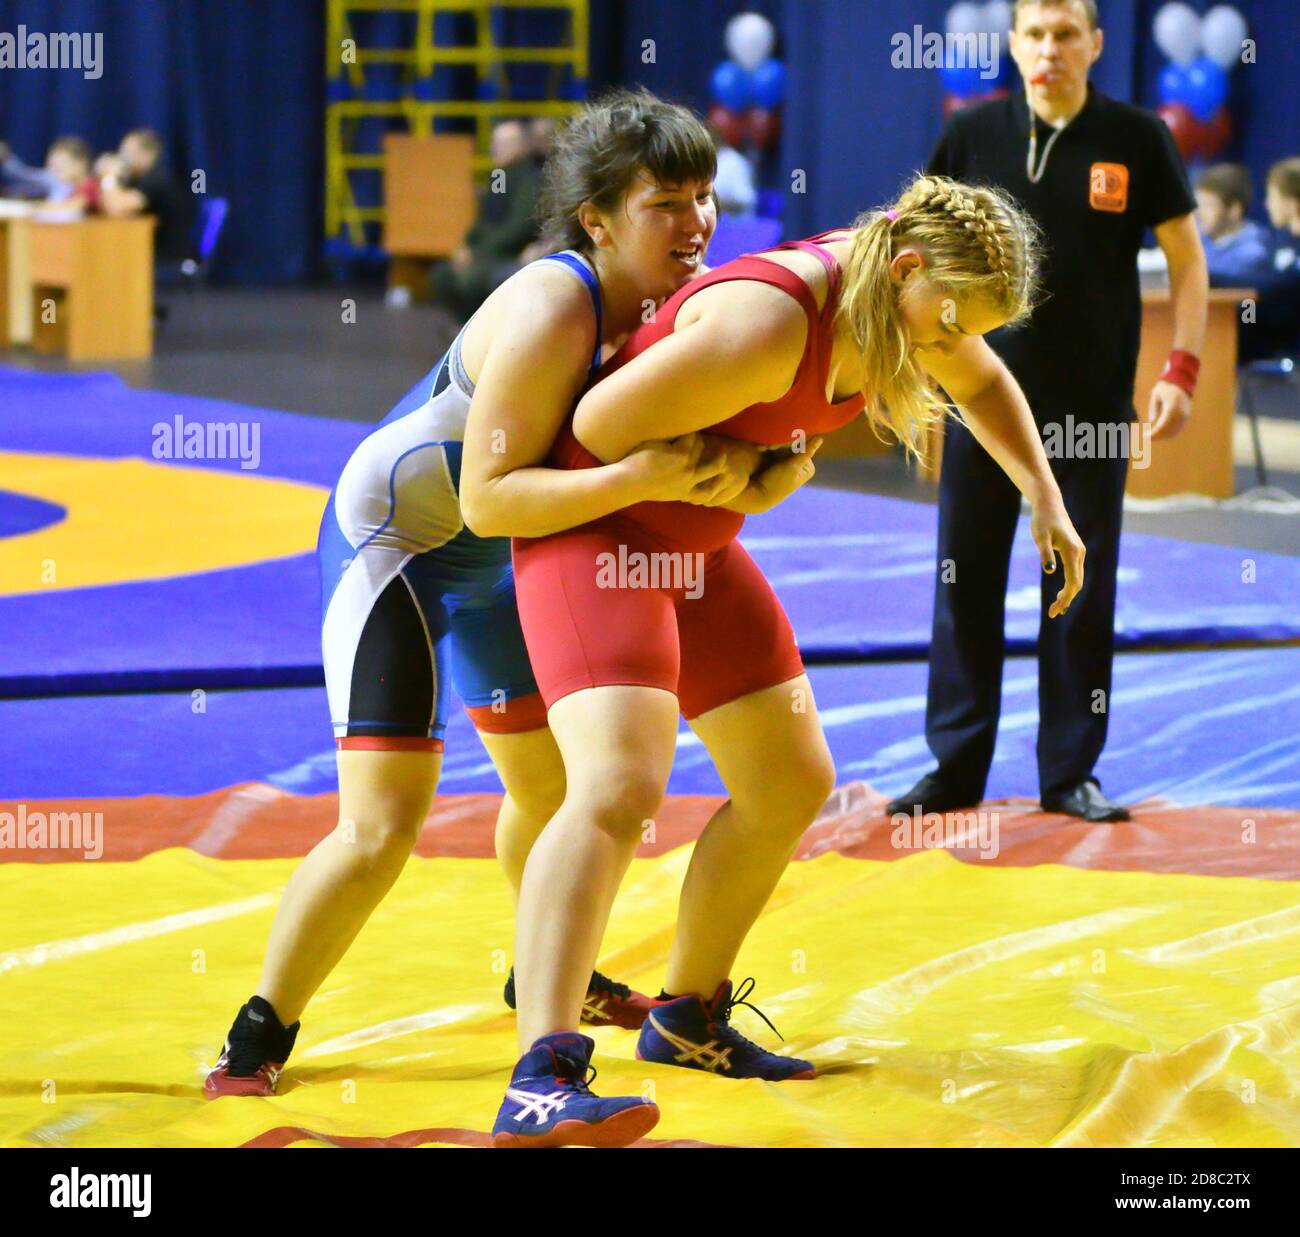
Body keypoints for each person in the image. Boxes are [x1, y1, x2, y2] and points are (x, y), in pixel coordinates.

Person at [464, 172, 1084, 1147]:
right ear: (910, 268)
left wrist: (1044, 497)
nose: (945, 349)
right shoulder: (763, 326)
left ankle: (684, 1016)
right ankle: (541, 1070)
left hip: (699, 540)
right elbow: (592, 430)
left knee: (790, 778)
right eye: (945, 326)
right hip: (597, 534)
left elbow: (979, 377)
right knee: (619, 787)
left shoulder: (912, 294)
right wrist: (757, 471)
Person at [203, 90, 760, 1100]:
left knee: (555, 792)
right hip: (405, 543)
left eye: (705, 197)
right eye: (665, 203)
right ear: (597, 217)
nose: (696, 223)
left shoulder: (684, 299)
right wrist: (644, 479)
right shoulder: (557, 299)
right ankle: (258, 1029)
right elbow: (487, 496)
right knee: (381, 825)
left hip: (512, 546)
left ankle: (545, 975)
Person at [887, 0, 1208, 825]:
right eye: (1034, 34)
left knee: (1079, 589)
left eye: (1066, 34)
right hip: (977, 406)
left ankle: (1069, 773)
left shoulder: (1138, 137)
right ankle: (955, 768)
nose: (1049, 49)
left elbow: (1187, 259)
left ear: (1096, 45)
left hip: (1090, 414)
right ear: (1013, 44)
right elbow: (907, 245)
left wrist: (1183, 365)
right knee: (965, 581)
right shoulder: (971, 136)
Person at [430, 120, 542, 322]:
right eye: (495, 143)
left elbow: (520, 226)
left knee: (472, 279)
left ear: (521, 146)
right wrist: (467, 245)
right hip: (487, 252)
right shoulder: (500, 176)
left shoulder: (529, 179)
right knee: (442, 275)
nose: (495, 149)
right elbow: (487, 216)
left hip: (511, 253)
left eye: (503, 144)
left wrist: (479, 252)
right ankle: (465, 329)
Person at [99, 128, 195, 262]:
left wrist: (109, 176)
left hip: (166, 258)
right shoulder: (139, 179)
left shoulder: (157, 179)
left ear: (146, 154)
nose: (122, 159)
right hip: (150, 252)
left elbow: (116, 209)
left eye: (126, 154)